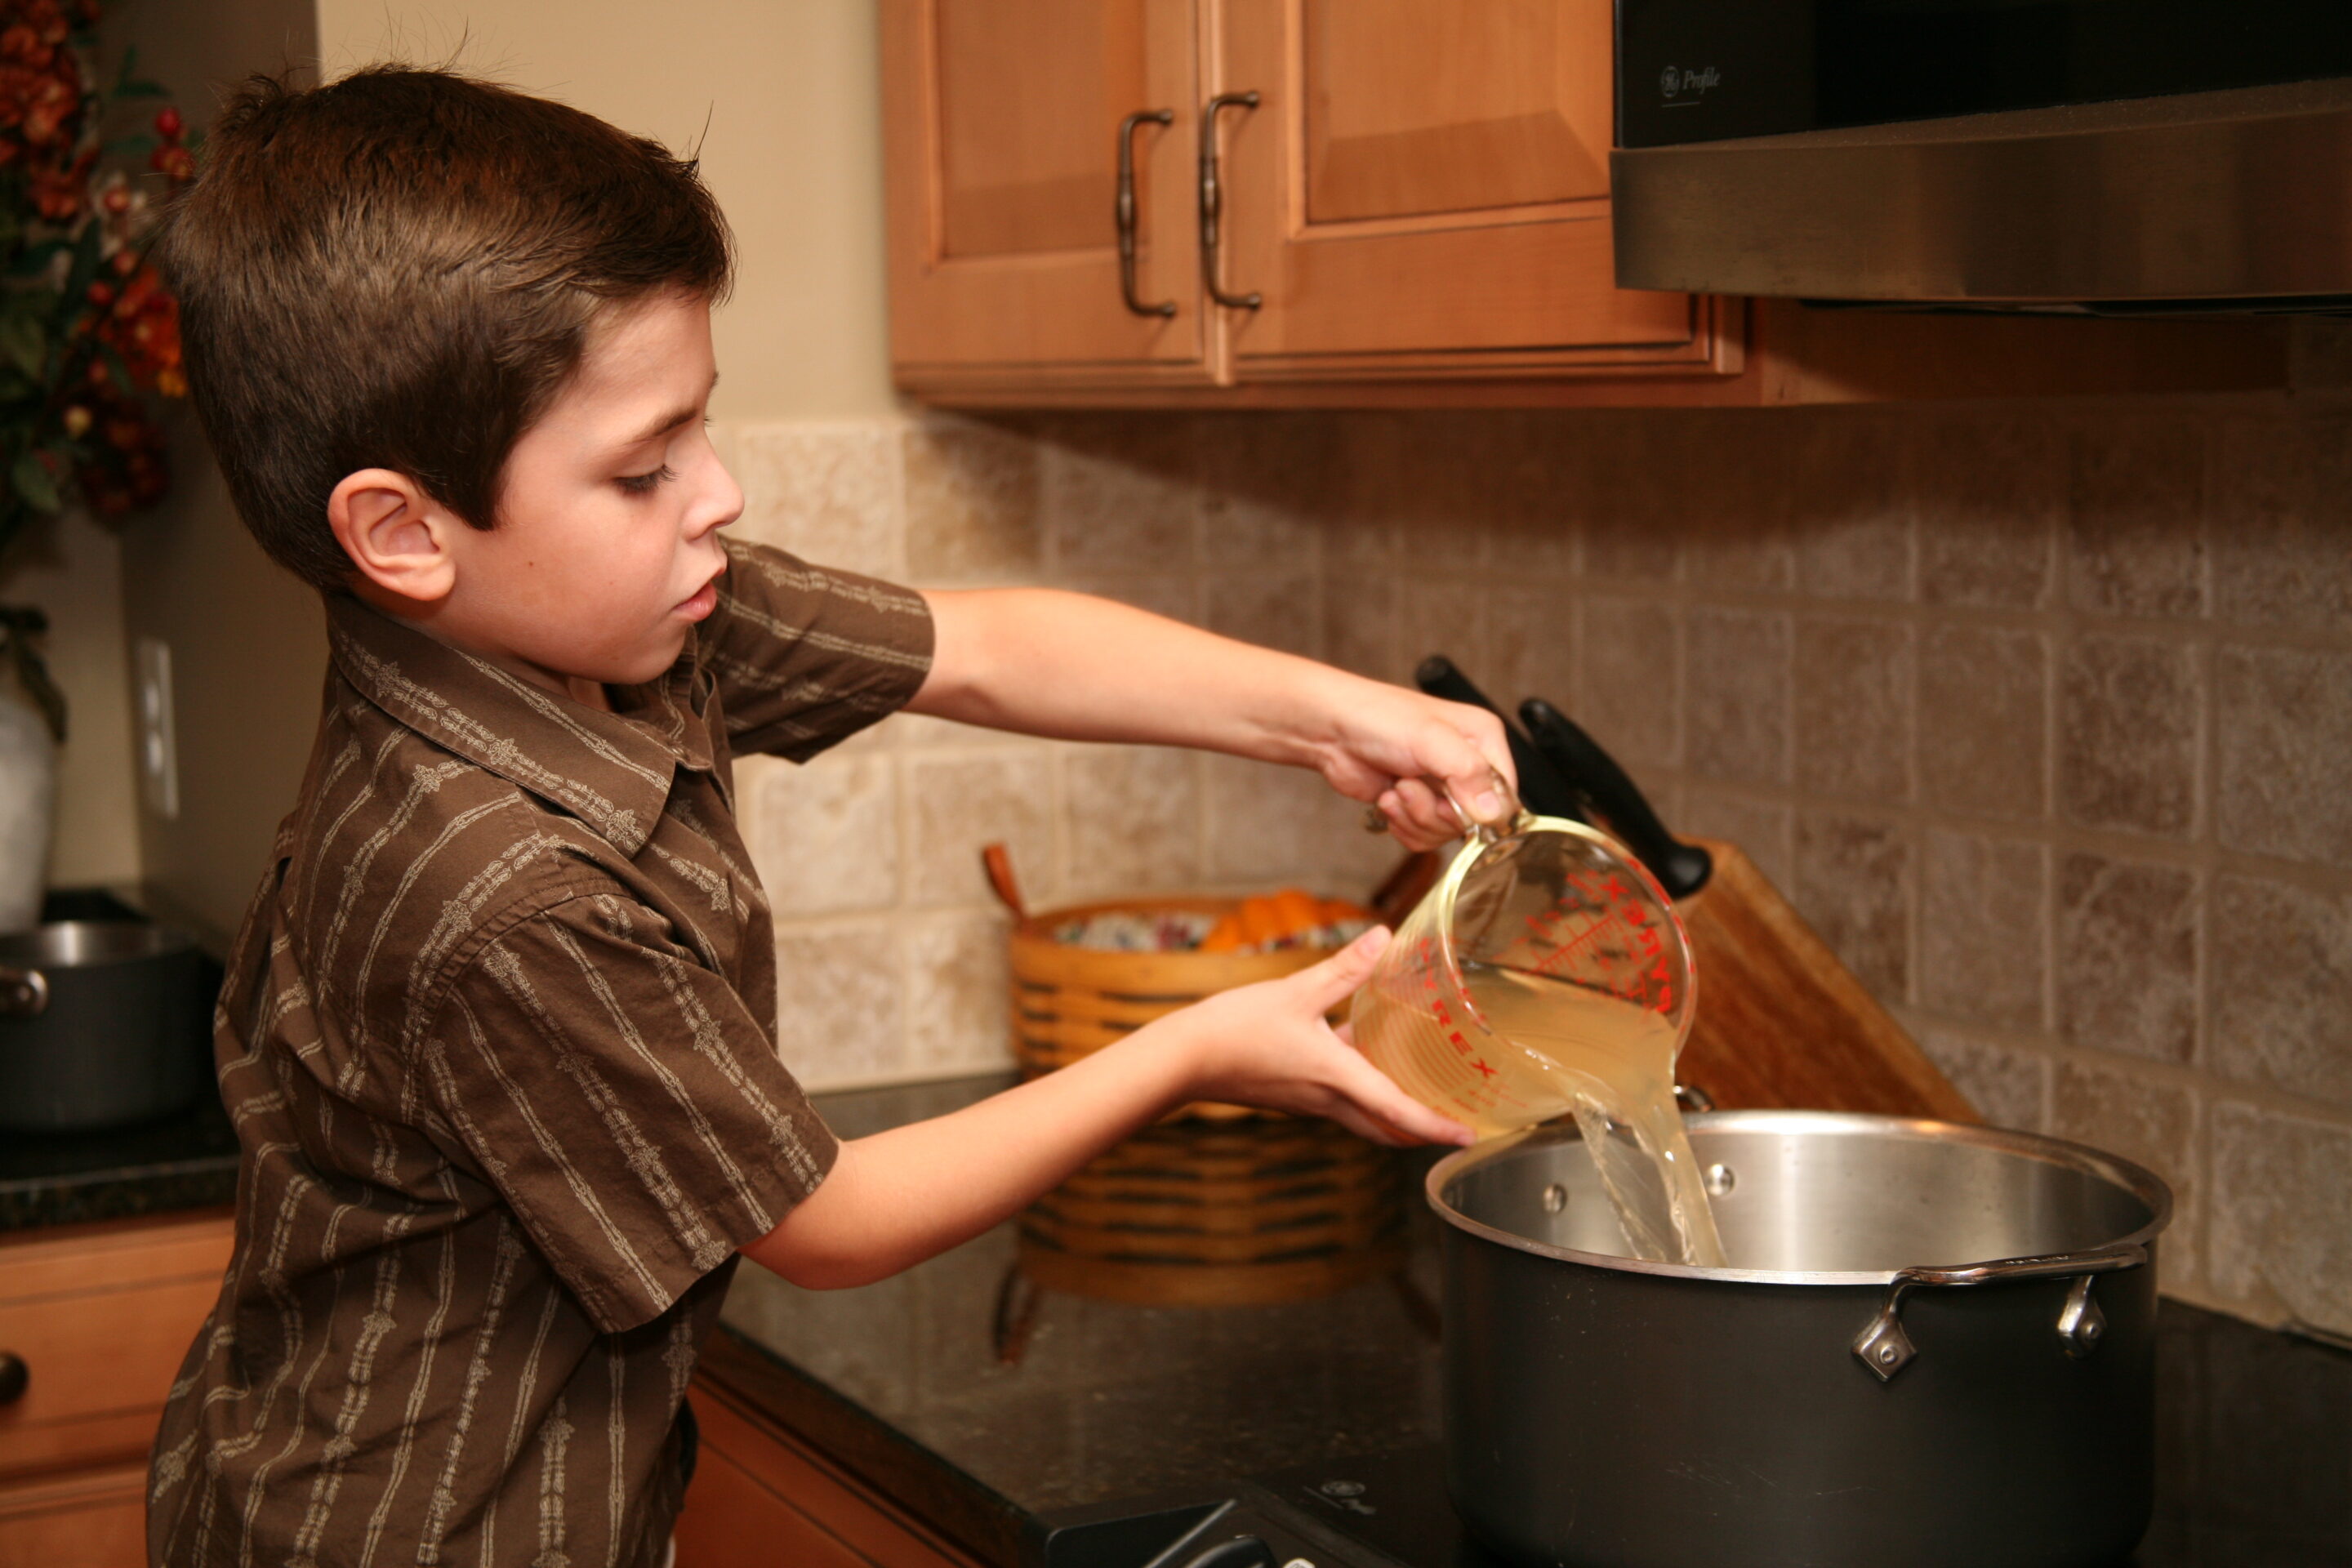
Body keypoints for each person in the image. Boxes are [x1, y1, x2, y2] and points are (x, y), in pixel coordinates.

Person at [144, 66, 1508, 1568]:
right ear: (402, 532)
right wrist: (1197, 1045)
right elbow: (828, 1220)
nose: (717, 493)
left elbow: (983, 651)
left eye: (700, 429)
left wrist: (1349, 715)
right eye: (645, 467)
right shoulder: (499, 888)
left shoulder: (606, 625)